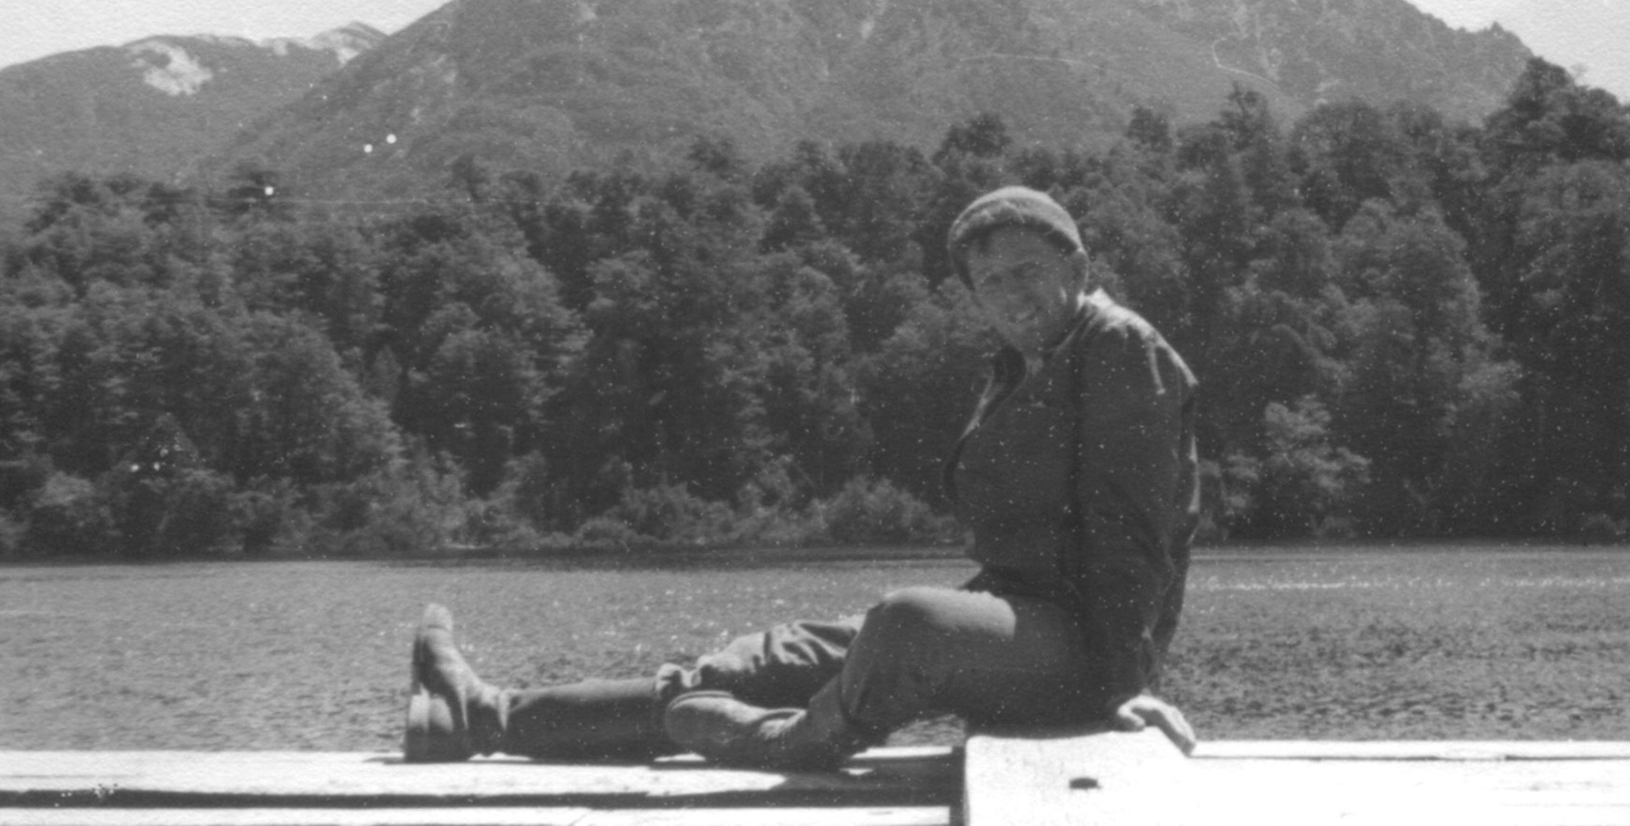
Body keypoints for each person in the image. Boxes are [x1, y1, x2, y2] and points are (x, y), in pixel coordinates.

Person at [406, 185, 1201, 769]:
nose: (1012, 296)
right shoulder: (1021, 367)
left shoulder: (1119, 349)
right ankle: (483, 716)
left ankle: (799, 739)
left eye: (1028, 270)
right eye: (990, 283)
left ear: (1078, 263)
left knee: (908, 622)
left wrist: (1120, 679)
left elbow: (1133, 533)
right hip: (1015, 618)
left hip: (1083, 651)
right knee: (754, 662)